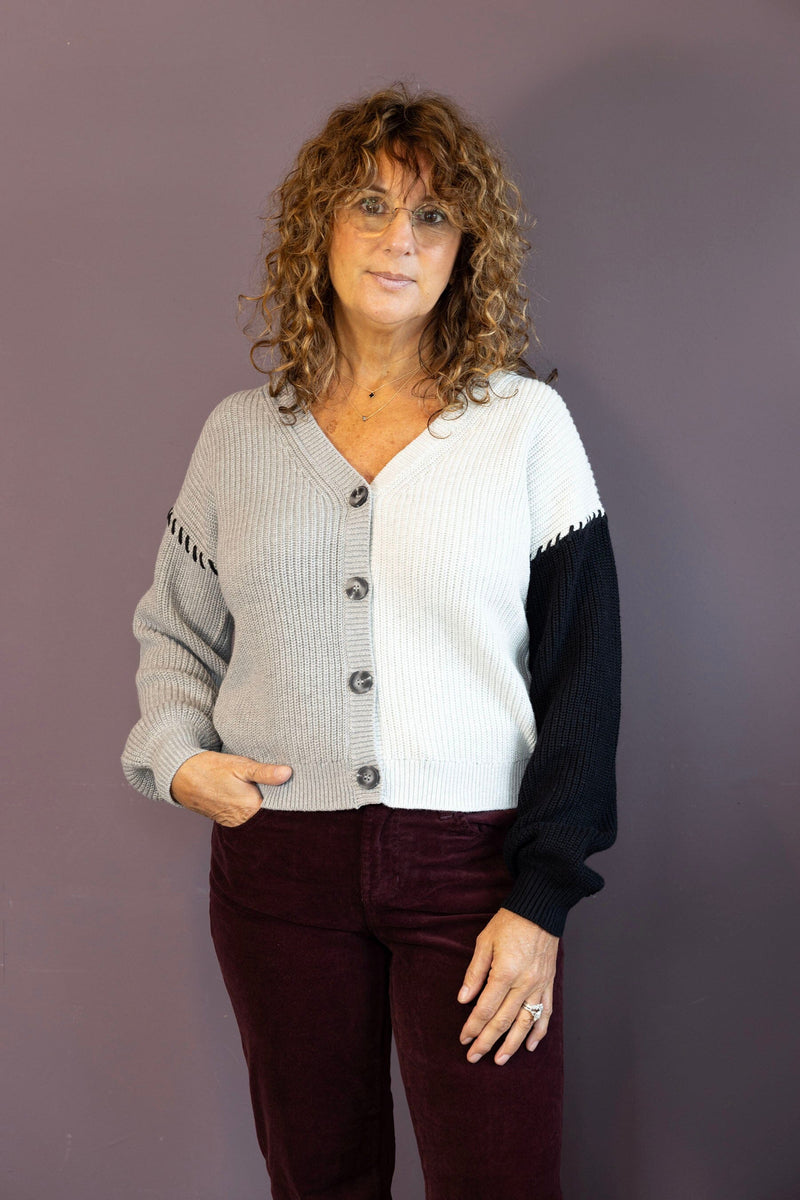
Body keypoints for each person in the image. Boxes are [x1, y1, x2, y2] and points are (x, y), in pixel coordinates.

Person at [121, 82, 621, 1200]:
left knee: (498, 1180)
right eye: (371, 205)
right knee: (319, 1180)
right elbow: (175, 632)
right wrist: (178, 757)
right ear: (321, 229)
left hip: (476, 874)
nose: (400, 240)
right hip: (278, 872)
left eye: (431, 216)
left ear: (464, 251)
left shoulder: (523, 431)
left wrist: (540, 899)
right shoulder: (240, 439)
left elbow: (584, 677)